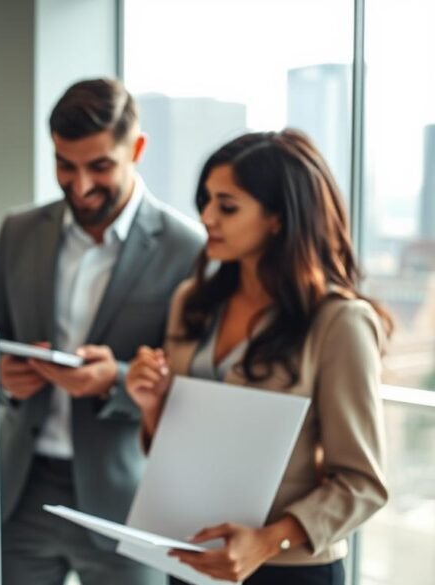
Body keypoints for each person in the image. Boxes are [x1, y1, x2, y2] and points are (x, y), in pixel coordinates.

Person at [126, 130, 390, 585]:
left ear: (278, 219)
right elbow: (176, 444)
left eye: (227, 206)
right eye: (205, 200)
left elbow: (362, 484)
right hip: (193, 557)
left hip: (288, 571)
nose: (206, 216)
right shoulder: (192, 301)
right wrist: (152, 406)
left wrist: (268, 540)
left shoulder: (339, 322)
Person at [0, 78, 204, 585]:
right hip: (21, 487)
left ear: (137, 149)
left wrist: (117, 380)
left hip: (125, 497)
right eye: (65, 166)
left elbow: (195, 383)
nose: (80, 186)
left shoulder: (187, 248)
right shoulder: (18, 231)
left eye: (99, 166)